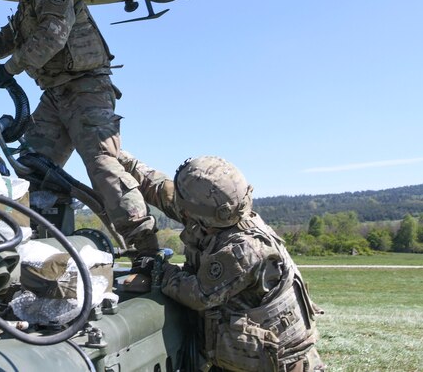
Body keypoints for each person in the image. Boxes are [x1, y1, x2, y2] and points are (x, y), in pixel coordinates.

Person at [0, 0, 160, 267]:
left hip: (86, 89)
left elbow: (53, 36)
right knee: (30, 168)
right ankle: (30, 245)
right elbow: (4, 40)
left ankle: (145, 249)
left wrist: (10, 68)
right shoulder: (28, 0)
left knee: (102, 166)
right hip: (56, 95)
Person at [117, 151, 325, 372]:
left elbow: (198, 294)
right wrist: (122, 159)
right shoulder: (218, 213)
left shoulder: (245, 250)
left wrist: (158, 268)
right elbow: (160, 189)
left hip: (275, 365)